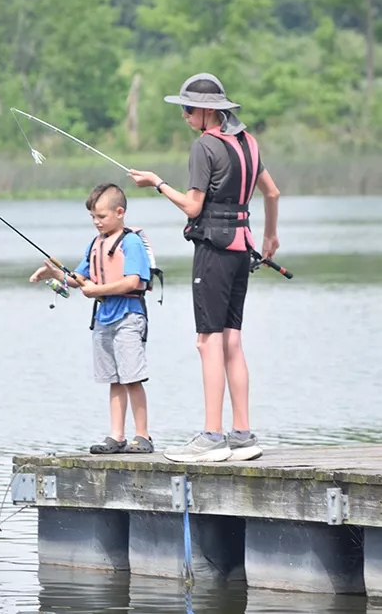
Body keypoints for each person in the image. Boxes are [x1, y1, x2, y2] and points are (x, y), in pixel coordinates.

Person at [129, 73, 280, 463]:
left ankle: (212, 438)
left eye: (186, 108)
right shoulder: (249, 142)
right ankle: (242, 435)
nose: (184, 115)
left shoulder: (205, 146)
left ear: (206, 111)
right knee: (232, 339)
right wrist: (269, 238)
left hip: (214, 249)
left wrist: (157, 183)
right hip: (243, 248)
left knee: (208, 341)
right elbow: (272, 192)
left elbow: (193, 207)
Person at [29, 183, 154, 454]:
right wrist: (54, 275)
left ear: (119, 212)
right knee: (114, 378)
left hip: (129, 317)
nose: (96, 222)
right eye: (93, 217)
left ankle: (142, 436)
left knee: (132, 377)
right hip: (103, 319)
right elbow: (79, 279)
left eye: (101, 216)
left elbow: (133, 281)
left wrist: (97, 290)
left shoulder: (131, 242)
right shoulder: (95, 244)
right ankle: (116, 436)